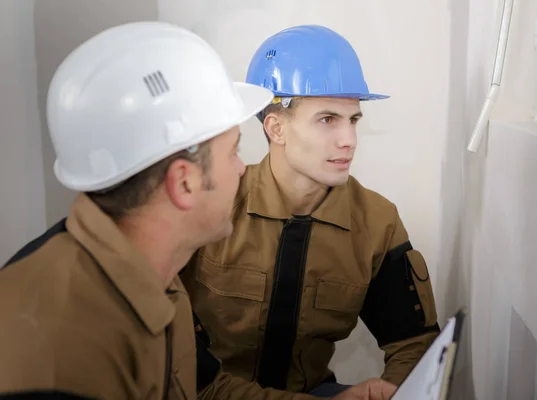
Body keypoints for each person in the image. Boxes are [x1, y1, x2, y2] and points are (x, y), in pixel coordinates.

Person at [0, 21, 396, 400]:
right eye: (233, 151)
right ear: (184, 183)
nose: (243, 169)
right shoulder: (56, 343)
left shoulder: (154, 273)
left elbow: (206, 388)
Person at [181, 24, 441, 397]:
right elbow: (165, 349)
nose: (349, 140)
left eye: (353, 120)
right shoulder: (214, 204)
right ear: (276, 128)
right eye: (327, 119)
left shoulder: (376, 222)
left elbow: (414, 346)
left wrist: (391, 392)